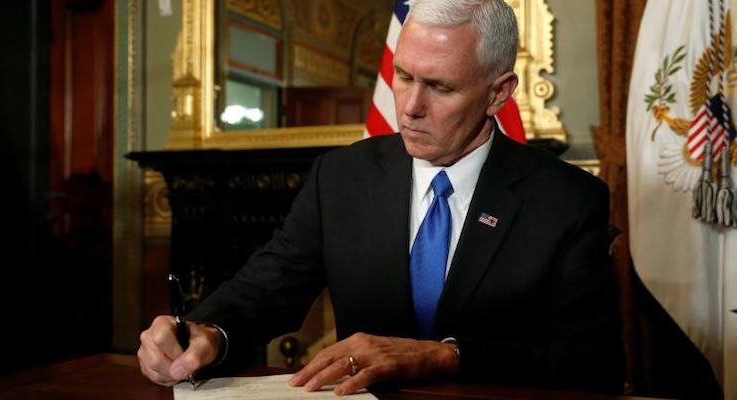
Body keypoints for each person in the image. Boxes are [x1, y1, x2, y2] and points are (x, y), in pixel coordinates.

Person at [138, 0, 623, 395]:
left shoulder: (567, 200)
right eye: (405, 76)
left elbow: (593, 362)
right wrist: (207, 333)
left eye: (439, 86)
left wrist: (444, 355)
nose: (410, 107)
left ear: (499, 94)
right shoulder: (343, 176)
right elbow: (266, 289)